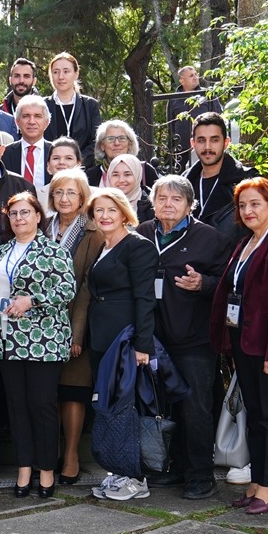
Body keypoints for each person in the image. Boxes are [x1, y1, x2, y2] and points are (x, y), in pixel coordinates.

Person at [210, 178, 268, 515]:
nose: (248, 211)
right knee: (254, 418)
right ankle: (257, 482)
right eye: (243, 205)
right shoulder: (246, 244)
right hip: (244, 344)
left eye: (256, 204)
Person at [137, 175, 230, 499]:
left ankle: (201, 475)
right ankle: (173, 468)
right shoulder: (143, 233)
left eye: (176, 199)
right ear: (153, 202)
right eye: (162, 198)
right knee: (167, 406)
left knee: (196, 409)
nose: (168, 204)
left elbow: (230, 285)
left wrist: (203, 284)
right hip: (155, 339)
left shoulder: (211, 239)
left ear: (190, 205)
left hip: (194, 340)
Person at [0, 191, 76, 498]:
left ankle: (47, 469)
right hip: (7, 339)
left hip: (44, 340)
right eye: (13, 214)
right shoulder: (2, 251)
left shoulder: (54, 251)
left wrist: (32, 300)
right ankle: (24, 467)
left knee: (42, 406)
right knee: (17, 407)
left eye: (26, 213)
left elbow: (67, 290)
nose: (19, 219)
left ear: (39, 216)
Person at [82, 187, 158, 502]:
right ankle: (118, 473)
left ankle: (137, 479)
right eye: (98, 211)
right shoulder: (103, 245)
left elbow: (144, 297)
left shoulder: (137, 247)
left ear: (124, 212)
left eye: (111, 210)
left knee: (126, 408)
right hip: (102, 339)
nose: (105, 216)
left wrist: (143, 345)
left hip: (125, 340)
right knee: (111, 407)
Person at [47, 167, 100, 483]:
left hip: (74, 323)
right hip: (41, 324)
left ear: (83, 197)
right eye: (58, 192)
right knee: (47, 392)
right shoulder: (42, 226)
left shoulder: (93, 232)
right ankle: (49, 452)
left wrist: (76, 333)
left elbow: (87, 287)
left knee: (72, 391)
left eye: (71, 193)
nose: (64, 198)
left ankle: (71, 456)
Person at [183, 112, 257, 247]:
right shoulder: (183, 184)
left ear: (226, 142)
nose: (207, 147)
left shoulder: (247, 181)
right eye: (201, 140)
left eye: (214, 140)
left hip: (233, 263)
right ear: (193, 143)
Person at [43, 52, 102, 165]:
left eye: (66, 71)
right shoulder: (42, 106)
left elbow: (96, 141)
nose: (61, 77)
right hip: (49, 170)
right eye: (55, 72)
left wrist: (76, 161)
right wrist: (55, 162)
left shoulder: (90, 105)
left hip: (83, 171)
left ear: (76, 74)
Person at [166, 66, 221, 169]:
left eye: (196, 74)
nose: (195, 77)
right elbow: (171, 123)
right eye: (191, 75)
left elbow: (218, 117)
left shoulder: (207, 95)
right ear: (182, 80)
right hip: (182, 148)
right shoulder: (173, 99)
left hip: (206, 147)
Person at [87, 120, 159, 188]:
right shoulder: (91, 175)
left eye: (122, 138)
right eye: (110, 139)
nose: (117, 143)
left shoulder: (145, 171)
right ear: (102, 146)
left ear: (130, 144)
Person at [1, 95, 53, 188]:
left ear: (47, 122)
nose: (32, 121)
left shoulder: (56, 152)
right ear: (17, 122)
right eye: (26, 116)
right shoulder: (5, 153)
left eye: (37, 116)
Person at [39, 137, 82, 216]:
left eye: (68, 158)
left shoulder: (93, 195)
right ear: (48, 165)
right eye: (56, 158)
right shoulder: (38, 195)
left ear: (78, 164)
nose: (62, 162)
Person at [107, 153, 154, 223]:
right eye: (115, 175)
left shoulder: (152, 205)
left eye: (127, 174)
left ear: (138, 175)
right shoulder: (99, 203)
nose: (121, 180)